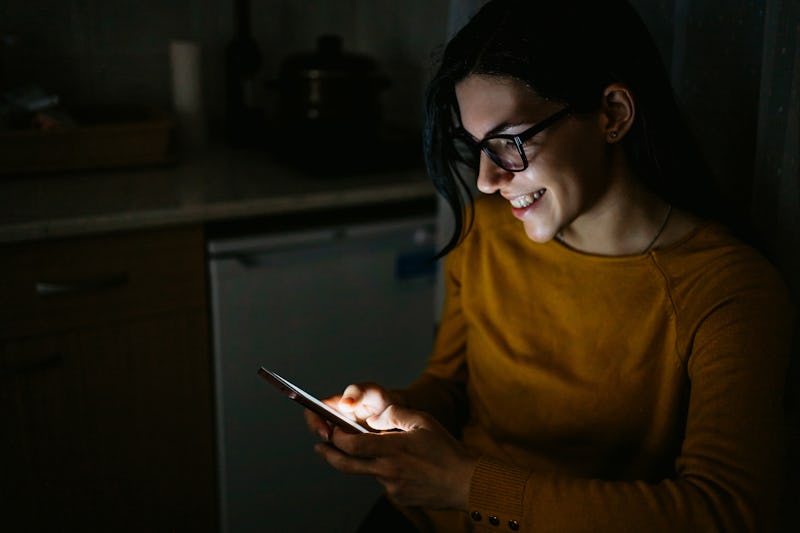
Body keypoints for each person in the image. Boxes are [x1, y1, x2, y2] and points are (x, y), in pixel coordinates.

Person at [305, 1, 795, 531]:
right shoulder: (486, 234)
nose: (487, 180)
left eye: (510, 143)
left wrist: (465, 484)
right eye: (477, 148)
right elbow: (451, 387)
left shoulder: (729, 292)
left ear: (612, 114)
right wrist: (390, 413)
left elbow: (725, 512)